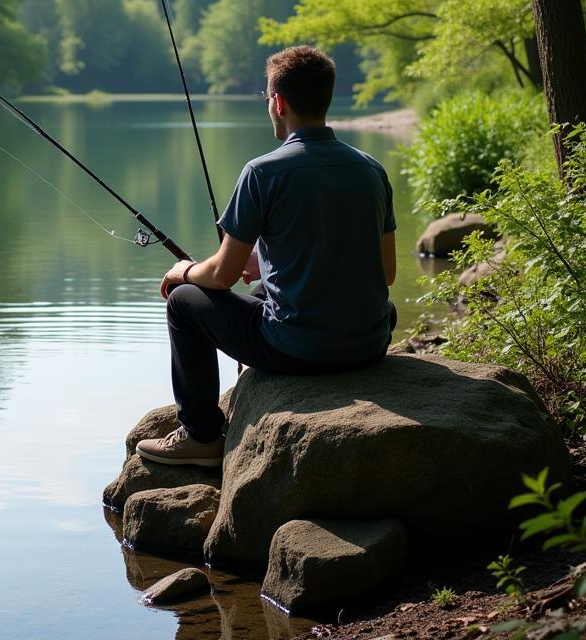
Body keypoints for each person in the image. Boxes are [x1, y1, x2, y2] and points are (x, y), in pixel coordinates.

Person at [136, 45, 398, 468]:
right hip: (369, 344)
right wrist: (267, 258)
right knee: (260, 291)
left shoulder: (263, 172)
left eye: (266, 99)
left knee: (184, 303)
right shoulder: (371, 169)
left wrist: (184, 271)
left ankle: (201, 437)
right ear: (325, 98)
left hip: (298, 352)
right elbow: (385, 273)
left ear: (279, 102)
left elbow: (220, 277)